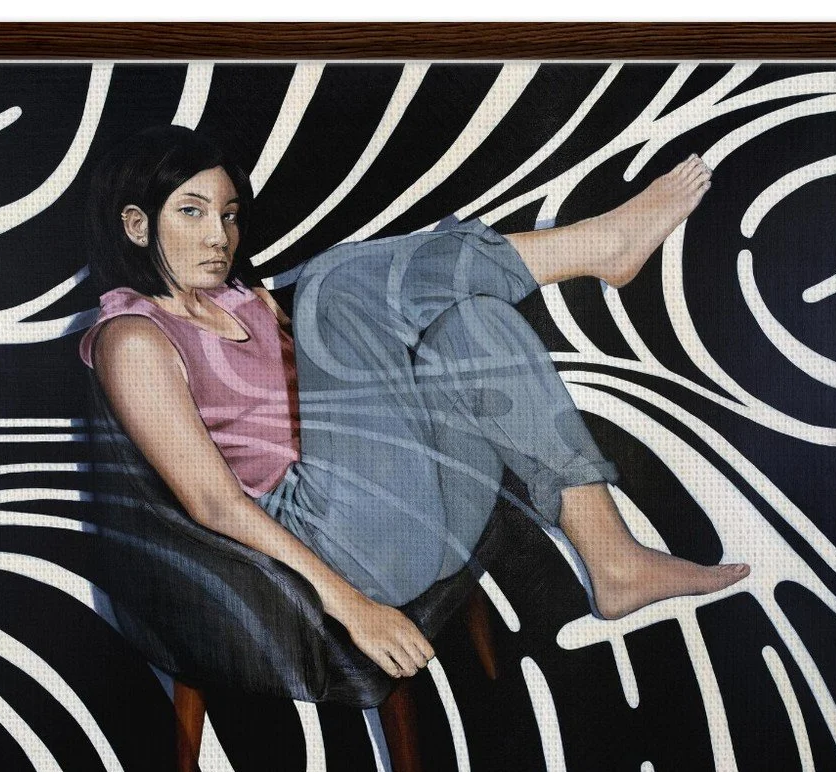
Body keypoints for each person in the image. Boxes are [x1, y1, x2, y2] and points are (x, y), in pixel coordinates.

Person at [80, 125, 750, 683]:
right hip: (336, 548)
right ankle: (595, 247)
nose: (219, 236)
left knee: (473, 325)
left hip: (414, 523)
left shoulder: (241, 298)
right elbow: (214, 504)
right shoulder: (133, 339)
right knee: (333, 282)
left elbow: (349, 393)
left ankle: (613, 558)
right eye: (191, 211)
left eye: (228, 214)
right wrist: (352, 608)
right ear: (136, 225)